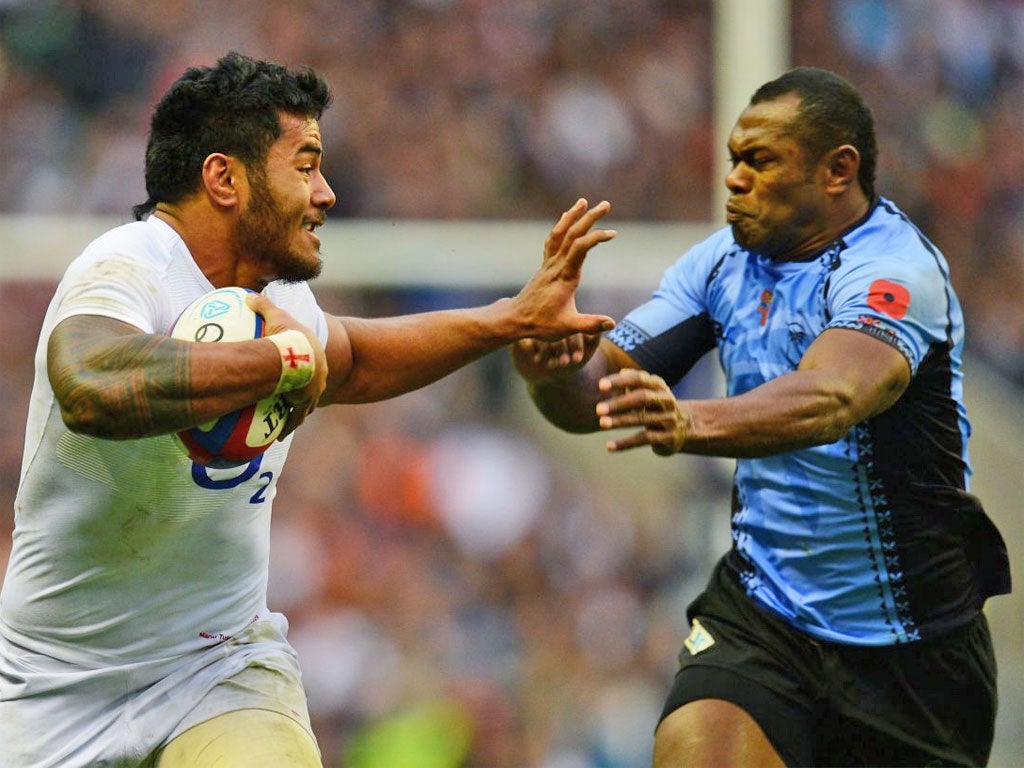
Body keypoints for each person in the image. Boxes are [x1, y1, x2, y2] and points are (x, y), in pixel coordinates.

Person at [0, 51, 617, 767]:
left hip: (216, 671)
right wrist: (279, 363)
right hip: (55, 689)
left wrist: (509, 319)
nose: (325, 193)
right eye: (305, 164)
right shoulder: (128, 266)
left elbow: (353, 358)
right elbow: (88, 383)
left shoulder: (280, 300)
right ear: (223, 177)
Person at [513, 67, 1011, 767]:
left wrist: (690, 422)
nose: (734, 179)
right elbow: (601, 394)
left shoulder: (896, 271)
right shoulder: (719, 266)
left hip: (917, 654)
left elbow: (834, 396)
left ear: (838, 170)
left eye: (760, 160)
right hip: (765, 619)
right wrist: (552, 368)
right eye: (733, 160)